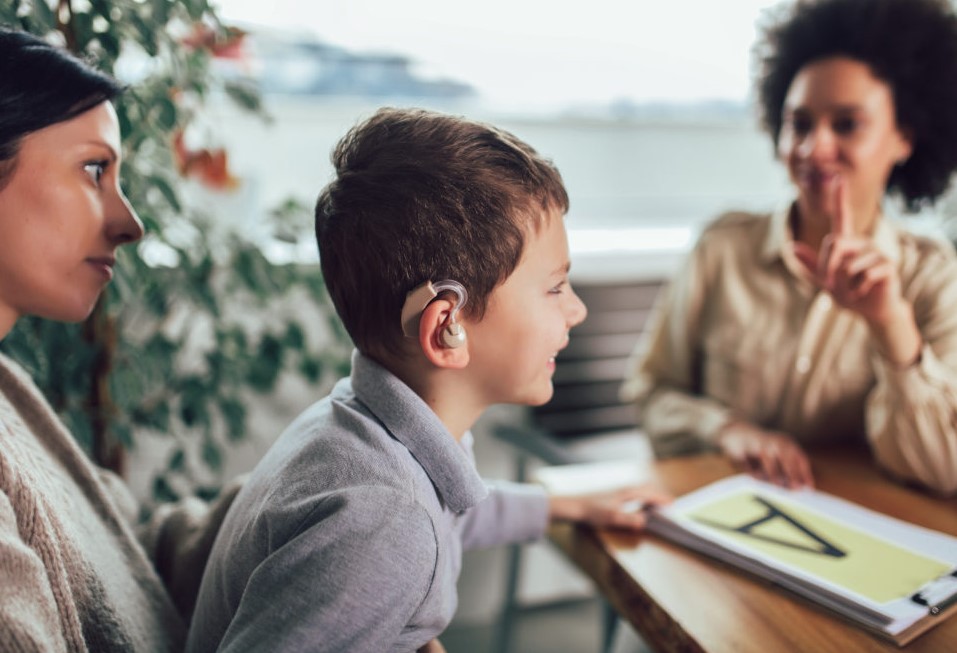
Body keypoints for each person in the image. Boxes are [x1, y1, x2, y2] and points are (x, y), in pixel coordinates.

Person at [186, 107, 671, 652]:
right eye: (556, 288)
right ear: (447, 327)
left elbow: (453, 511)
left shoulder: (366, 430)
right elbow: (406, 528)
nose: (576, 311)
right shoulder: (383, 523)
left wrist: (563, 506)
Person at [622, 0, 957, 494]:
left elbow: (944, 468)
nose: (812, 147)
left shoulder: (931, 279)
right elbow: (650, 394)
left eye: (846, 124)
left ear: (904, 137)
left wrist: (890, 326)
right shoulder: (722, 250)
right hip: (723, 516)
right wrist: (726, 430)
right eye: (799, 124)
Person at [0, 27, 240, 650]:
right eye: (93, 170)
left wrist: (332, 488)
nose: (128, 224)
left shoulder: (9, 387)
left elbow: (127, 548)